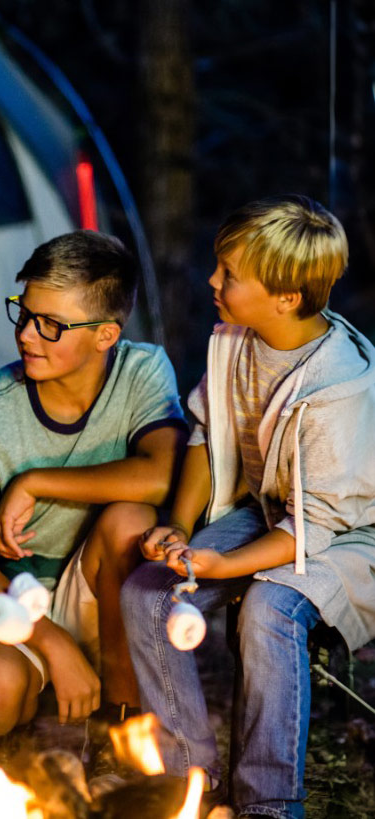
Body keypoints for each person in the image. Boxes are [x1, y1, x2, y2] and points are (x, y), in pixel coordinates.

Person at [123, 195, 375, 819]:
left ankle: (268, 802)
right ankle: (190, 782)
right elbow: (207, 439)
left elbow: (311, 528)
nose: (213, 281)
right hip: (268, 513)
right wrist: (179, 529)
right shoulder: (236, 340)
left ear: (287, 296)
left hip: (344, 534)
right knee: (148, 592)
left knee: (266, 606)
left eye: (229, 274)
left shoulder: (336, 385)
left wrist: (214, 566)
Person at [0, 231, 187, 760]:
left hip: (98, 590)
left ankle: (121, 729)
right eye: (24, 314)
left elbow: (161, 475)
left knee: (129, 518)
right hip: (9, 596)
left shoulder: (142, 372)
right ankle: (27, 717)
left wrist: (34, 480)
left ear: (105, 335)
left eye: (51, 325)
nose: (27, 335)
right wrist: (50, 640)